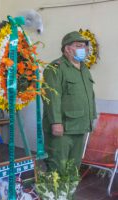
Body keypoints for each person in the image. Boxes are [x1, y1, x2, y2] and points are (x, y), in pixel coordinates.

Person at [43, 31, 97, 175]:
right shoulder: (55, 68)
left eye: (85, 47)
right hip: (63, 129)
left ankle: (68, 196)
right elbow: (52, 97)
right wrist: (56, 122)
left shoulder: (84, 69)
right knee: (57, 168)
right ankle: (54, 197)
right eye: (79, 46)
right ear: (67, 49)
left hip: (80, 127)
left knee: (73, 169)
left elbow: (89, 96)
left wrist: (91, 119)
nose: (84, 50)